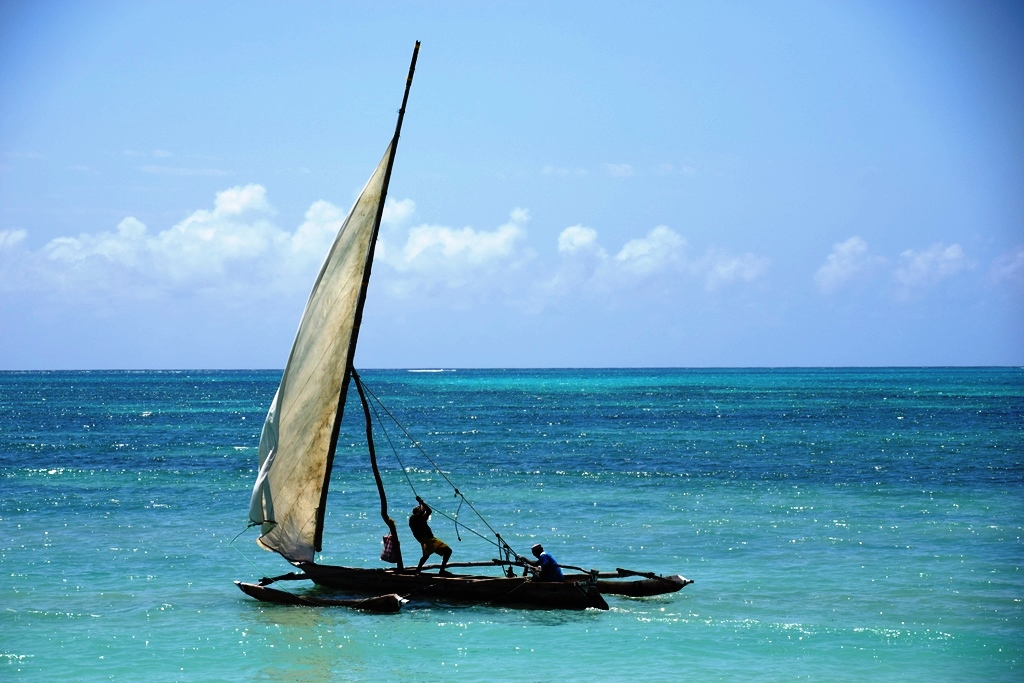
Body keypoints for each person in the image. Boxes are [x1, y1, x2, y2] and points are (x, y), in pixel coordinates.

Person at [409, 496, 452, 575]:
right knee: (426, 555)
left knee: (448, 551)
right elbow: (423, 511)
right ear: (416, 512)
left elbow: (428, 511)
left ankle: (442, 570)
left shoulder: (422, 518)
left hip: (432, 539)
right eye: (419, 509)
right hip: (424, 539)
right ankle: (418, 570)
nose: (421, 511)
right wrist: (421, 502)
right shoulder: (413, 519)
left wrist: (421, 503)